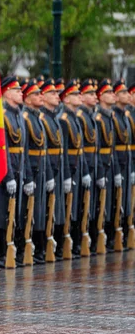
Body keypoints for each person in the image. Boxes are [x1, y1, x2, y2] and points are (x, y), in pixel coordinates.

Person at [0, 76, 32, 268]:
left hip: (20, 168)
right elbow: (3, 147)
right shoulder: (2, 115)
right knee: (3, 213)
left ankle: (13, 250)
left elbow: (24, 149)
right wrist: (8, 176)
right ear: (6, 92)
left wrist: (27, 175)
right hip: (5, 171)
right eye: (16, 90)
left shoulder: (18, 115)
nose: (20, 93)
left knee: (17, 212)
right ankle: (0, 254)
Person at [22, 79, 54, 264]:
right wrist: (27, 176)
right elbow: (24, 151)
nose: (40, 96)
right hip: (31, 170)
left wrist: (48, 174)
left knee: (40, 211)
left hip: (41, 168)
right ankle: (24, 248)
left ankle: (39, 248)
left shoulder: (37, 118)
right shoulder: (26, 118)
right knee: (27, 212)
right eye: (36, 94)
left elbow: (45, 149)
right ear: (27, 99)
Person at [58, 79, 91, 257]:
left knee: (78, 207)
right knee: (66, 208)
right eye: (75, 94)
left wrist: (84, 171)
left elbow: (80, 149)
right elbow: (63, 150)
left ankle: (75, 241)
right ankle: (64, 242)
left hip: (78, 167)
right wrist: (67, 175)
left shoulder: (74, 119)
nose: (79, 97)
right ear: (67, 99)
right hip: (69, 168)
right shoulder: (64, 120)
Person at [39, 79, 68, 260]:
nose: (57, 96)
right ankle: (40, 246)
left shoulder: (53, 119)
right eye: (53, 93)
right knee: (42, 211)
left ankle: (52, 245)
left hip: (57, 169)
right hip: (43, 169)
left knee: (55, 210)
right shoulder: (43, 119)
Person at [77, 79, 104, 254]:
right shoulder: (80, 117)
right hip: (79, 167)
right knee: (80, 206)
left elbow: (97, 147)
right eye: (91, 94)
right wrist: (85, 170)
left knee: (93, 206)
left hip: (94, 164)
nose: (95, 97)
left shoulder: (91, 116)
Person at [96, 79, 121, 250]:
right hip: (100, 165)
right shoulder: (98, 118)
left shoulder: (109, 117)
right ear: (101, 97)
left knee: (112, 202)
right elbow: (96, 148)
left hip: (111, 163)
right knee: (97, 205)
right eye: (109, 92)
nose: (114, 95)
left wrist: (117, 169)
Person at [112, 79, 133, 248]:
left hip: (127, 162)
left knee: (126, 201)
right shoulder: (113, 116)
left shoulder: (124, 116)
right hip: (115, 163)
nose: (127, 95)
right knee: (115, 201)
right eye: (123, 92)